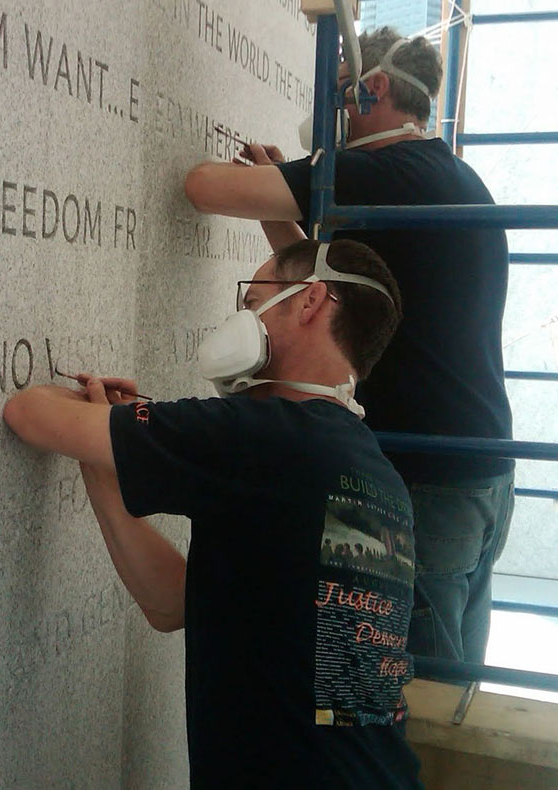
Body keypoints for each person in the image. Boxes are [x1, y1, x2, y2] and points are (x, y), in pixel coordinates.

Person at [3, 239, 421, 789]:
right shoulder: (372, 473)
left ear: (310, 300)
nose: (244, 318)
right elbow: (171, 601)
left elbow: (28, 413)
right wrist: (110, 449)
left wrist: (102, 424)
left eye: (254, 301)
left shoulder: (271, 438)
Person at [183, 27, 514, 665]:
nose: (330, 110)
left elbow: (203, 186)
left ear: (375, 87)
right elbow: (335, 293)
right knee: (445, 691)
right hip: (475, 475)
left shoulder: (382, 172)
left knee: (388, 680)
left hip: (417, 483)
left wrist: (296, 178)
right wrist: (285, 191)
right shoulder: (450, 176)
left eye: (339, 91)